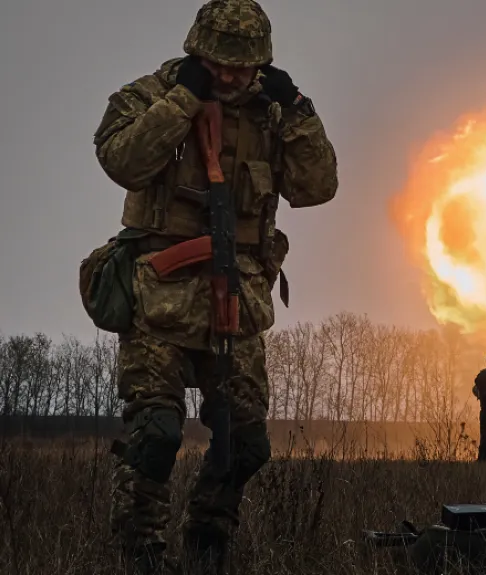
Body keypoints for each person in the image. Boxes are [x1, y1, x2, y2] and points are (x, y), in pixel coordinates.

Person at [89, 1, 338, 573]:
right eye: (220, 64)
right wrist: (183, 101)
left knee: (246, 443)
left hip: (240, 301)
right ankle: (141, 553)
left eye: (243, 66)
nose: (230, 76)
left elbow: (317, 186)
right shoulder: (149, 95)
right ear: (197, 51)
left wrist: (298, 109)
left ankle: (207, 540)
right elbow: (122, 161)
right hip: (161, 302)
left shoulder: (273, 113)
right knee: (154, 435)